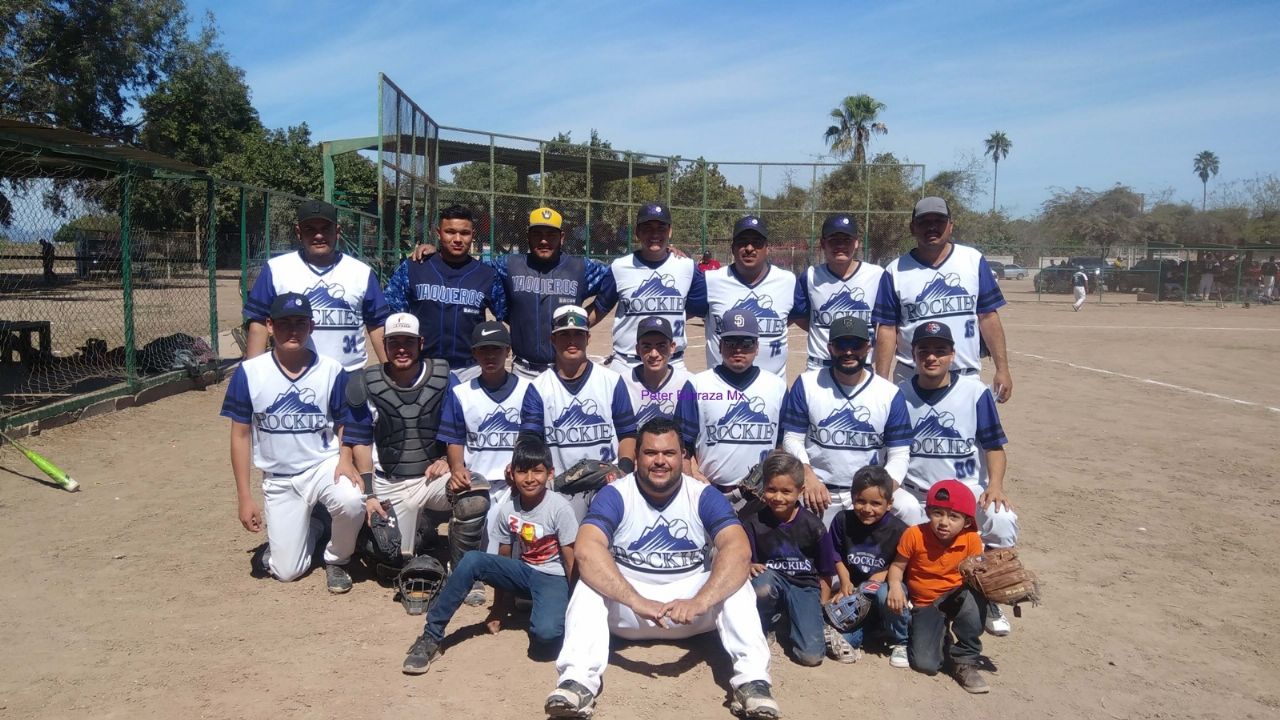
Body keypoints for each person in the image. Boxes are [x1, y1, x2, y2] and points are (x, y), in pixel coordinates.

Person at [545, 418, 778, 720]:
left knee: (737, 581)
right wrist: (635, 600)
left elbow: (738, 549)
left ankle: (753, 683)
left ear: (683, 456)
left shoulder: (703, 495)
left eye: (668, 453)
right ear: (637, 456)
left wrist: (701, 601)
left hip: (691, 609)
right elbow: (587, 549)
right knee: (589, 584)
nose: (659, 461)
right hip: (630, 608)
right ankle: (576, 682)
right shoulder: (616, 493)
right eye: (650, 453)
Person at [220, 293, 372, 592]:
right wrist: (244, 497)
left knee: (352, 499)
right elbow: (239, 436)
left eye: (300, 323)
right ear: (270, 326)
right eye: (284, 323)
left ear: (311, 327)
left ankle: (336, 559)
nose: (293, 330)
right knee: (287, 572)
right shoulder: (250, 373)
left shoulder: (331, 370)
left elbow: (345, 420)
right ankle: (316, 526)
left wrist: (344, 458)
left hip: (322, 465)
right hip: (280, 477)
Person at [402, 438, 577, 673]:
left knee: (545, 639)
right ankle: (431, 636)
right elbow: (504, 559)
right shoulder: (509, 509)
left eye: (537, 471)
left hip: (553, 577)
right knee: (473, 559)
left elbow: (570, 562)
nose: (530, 478)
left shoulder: (560, 509)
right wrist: (497, 610)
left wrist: (577, 609)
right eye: (522, 471)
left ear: (550, 473)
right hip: (524, 572)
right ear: (512, 474)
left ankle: (551, 610)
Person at [346, 312, 492, 580]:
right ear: (384, 344)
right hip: (390, 481)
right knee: (392, 561)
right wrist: (369, 495)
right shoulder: (367, 382)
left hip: (430, 478)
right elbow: (360, 441)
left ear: (420, 343)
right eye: (394, 342)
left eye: (408, 342)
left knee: (473, 493)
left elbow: (460, 426)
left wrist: (450, 461)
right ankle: (385, 537)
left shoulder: (443, 377)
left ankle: (462, 572)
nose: (401, 348)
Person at [896, 320, 1018, 636]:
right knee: (904, 511)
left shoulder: (975, 392)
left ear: (952, 354)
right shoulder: (900, 394)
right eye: (925, 351)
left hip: (967, 491)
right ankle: (913, 595)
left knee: (1000, 517)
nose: (932, 358)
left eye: (940, 351)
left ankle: (988, 593)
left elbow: (994, 446)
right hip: (918, 491)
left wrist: (995, 485)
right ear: (914, 354)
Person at [413, 207, 611, 380]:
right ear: (528, 236)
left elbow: (615, 279)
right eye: (537, 234)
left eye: (551, 235)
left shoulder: (580, 268)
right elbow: (469, 269)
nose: (544, 240)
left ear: (562, 237)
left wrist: (584, 320)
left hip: (567, 369)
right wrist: (437, 253)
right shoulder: (509, 265)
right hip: (523, 370)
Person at [873, 196, 1012, 402]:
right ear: (913, 228)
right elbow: (887, 328)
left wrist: (1003, 369)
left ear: (951, 226)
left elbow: (988, 317)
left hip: (964, 375)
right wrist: (882, 381)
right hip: (911, 377)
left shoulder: (972, 260)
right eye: (924, 222)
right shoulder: (895, 270)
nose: (932, 227)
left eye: (939, 221)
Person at [780, 316, 913, 526]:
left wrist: (880, 491)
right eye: (842, 345)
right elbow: (791, 439)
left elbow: (900, 454)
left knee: (909, 508)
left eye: (856, 345)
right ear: (830, 348)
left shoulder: (889, 393)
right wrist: (808, 475)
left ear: (868, 348)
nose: (849, 352)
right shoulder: (807, 384)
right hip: (819, 489)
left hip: (868, 491)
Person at [519, 305, 637, 518]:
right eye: (564, 335)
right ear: (553, 340)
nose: (571, 341)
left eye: (578, 335)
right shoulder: (539, 388)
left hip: (607, 484)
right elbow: (530, 440)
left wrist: (624, 471)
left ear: (588, 338)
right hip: (560, 488)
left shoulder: (611, 381)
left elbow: (627, 433)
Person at [244, 200, 390, 371]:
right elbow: (259, 322)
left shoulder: (361, 272)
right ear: (299, 232)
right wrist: (251, 376)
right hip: (293, 373)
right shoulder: (276, 269)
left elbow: (377, 325)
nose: (318, 235)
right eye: (310, 229)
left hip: (348, 374)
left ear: (337, 231)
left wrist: (390, 375)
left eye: (325, 229)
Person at [675, 309, 787, 510]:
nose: (738, 349)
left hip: (761, 497)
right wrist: (694, 478)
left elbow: (783, 442)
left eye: (746, 343)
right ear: (719, 345)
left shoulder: (776, 386)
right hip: (710, 492)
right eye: (731, 342)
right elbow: (682, 445)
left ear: (757, 347)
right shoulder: (697, 385)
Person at [438, 320, 533, 552]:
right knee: (479, 552)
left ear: (508, 351)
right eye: (483, 349)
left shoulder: (528, 388)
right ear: (474, 353)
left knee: (519, 553)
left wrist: (521, 467)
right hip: (477, 486)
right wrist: (457, 468)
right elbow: (455, 439)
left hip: (515, 484)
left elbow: (532, 437)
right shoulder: (461, 393)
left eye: (496, 349)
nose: (490, 356)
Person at [886, 480, 990, 694]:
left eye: (954, 517)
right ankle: (941, 637)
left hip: (956, 596)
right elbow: (897, 566)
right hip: (925, 603)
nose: (944, 522)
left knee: (974, 596)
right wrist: (895, 585)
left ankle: (966, 659)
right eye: (937, 513)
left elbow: (977, 573)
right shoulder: (914, 534)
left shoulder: (970, 539)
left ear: (967, 521)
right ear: (928, 512)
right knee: (926, 664)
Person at [383, 204, 503, 381]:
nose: (457, 239)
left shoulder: (487, 275)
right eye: (450, 232)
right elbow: (388, 315)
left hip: (470, 370)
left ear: (472, 235)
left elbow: (507, 315)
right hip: (423, 367)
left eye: (464, 233)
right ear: (438, 233)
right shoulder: (415, 267)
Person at [744, 450, 837, 667]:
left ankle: (794, 620)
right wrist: (749, 565)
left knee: (811, 657)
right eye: (771, 489)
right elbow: (746, 560)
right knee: (762, 584)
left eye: (786, 491)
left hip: (803, 586)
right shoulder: (752, 521)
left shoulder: (814, 526)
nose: (778, 497)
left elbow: (825, 573)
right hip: (771, 581)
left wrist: (820, 609)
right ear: (762, 487)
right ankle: (766, 623)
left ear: (800, 491)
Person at [590, 202, 706, 370]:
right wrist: (567, 329)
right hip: (627, 363)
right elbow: (599, 308)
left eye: (661, 228)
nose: (655, 234)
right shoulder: (620, 267)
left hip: (673, 363)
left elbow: (699, 307)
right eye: (647, 228)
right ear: (637, 232)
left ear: (670, 231)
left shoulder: (687, 267)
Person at [822, 466, 910, 667]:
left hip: (884, 587)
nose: (867, 509)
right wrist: (845, 582)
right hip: (855, 591)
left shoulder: (899, 529)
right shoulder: (843, 520)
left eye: (876, 503)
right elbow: (835, 555)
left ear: (889, 504)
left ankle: (900, 640)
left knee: (883, 594)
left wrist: (879, 578)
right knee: (845, 640)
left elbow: (900, 562)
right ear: (852, 497)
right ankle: (873, 630)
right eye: (861, 501)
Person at [698, 215, 803, 377]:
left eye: (757, 242)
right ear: (732, 248)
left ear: (767, 248)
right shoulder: (710, 280)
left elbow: (806, 320)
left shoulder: (788, 281)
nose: (749, 248)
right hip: (721, 387)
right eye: (742, 242)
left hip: (772, 390)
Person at [795, 213, 888, 371]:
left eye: (847, 240)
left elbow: (887, 323)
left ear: (857, 242)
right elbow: (800, 317)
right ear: (823, 244)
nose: (840, 245)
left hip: (862, 367)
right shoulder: (810, 276)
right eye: (834, 240)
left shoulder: (876, 275)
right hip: (820, 367)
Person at [619, 317, 690, 427]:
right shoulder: (622, 383)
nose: (653, 354)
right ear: (638, 349)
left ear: (672, 347)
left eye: (661, 346)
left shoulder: (689, 383)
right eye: (647, 346)